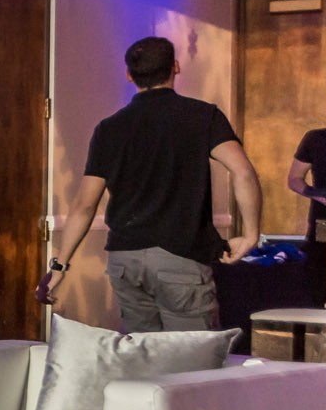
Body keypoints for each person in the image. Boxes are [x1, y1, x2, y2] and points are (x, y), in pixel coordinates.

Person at [37, 35, 261, 331]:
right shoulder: (203, 116)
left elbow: (84, 204)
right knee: (192, 355)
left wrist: (60, 266)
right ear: (176, 67)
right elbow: (243, 172)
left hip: (125, 260)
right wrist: (251, 234)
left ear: (129, 75)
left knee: (144, 352)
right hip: (180, 256)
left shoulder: (109, 128)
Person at [287, 78, 326, 304]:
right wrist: (315, 194)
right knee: (318, 290)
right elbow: (294, 179)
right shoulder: (315, 139)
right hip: (321, 226)